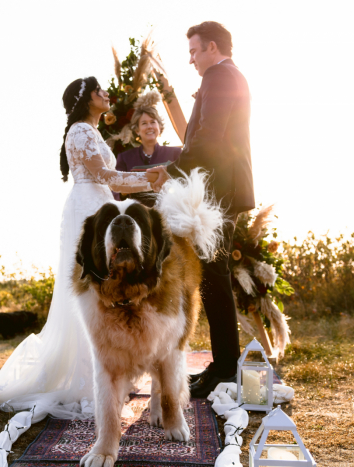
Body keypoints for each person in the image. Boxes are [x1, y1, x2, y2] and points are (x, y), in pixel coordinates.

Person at [0, 77, 166, 418]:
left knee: (103, 288)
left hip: (99, 206)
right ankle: (88, 377)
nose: (106, 94)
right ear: (86, 98)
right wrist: (150, 178)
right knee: (89, 290)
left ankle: (108, 369)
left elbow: (109, 178)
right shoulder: (79, 131)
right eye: (99, 90)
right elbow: (107, 176)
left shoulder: (92, 132)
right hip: (87, 209)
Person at [149, 21, 255, 398]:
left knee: (215, 278)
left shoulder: (220, 76)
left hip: (221, 189)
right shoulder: (225, 76)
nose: (191, 58)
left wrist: (171, 171)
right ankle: (223, 364)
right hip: (222, 187)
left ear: (212, 47)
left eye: (194, 51)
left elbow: (208, 138)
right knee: (213, 278)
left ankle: (226, 369)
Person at [112, 92, 181, 206]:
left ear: (159, 126)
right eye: (144, 123)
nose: (149, 126)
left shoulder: (176, 153)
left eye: (153, 122)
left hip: (171, 210)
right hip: (137, 214)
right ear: (137, 130)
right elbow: (115, 191)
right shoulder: (124, 158)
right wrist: (123, 192)